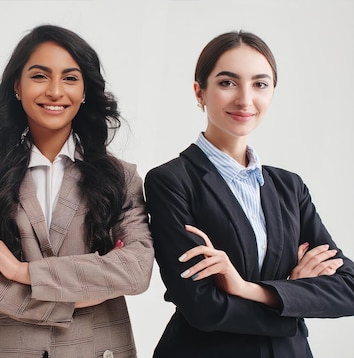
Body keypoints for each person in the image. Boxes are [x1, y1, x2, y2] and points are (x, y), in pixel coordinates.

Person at [0, 24, 154, 357]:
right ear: (17, 86)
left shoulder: (121, 178)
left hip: (97, 349)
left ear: (85, 91)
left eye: (70, 78)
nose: (55, 91)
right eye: (40, 76)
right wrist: (69, 301)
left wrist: (22, 271)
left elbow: (135, 269)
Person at [144, 30, 354, 357]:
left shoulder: (289, 187)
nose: (245, 99)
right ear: (200, 92)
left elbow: (349, 287)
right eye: (228, 83)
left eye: (259, 84)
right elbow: (203, 307)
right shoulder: (171, 181)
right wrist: (293, 298)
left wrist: (247, 289)